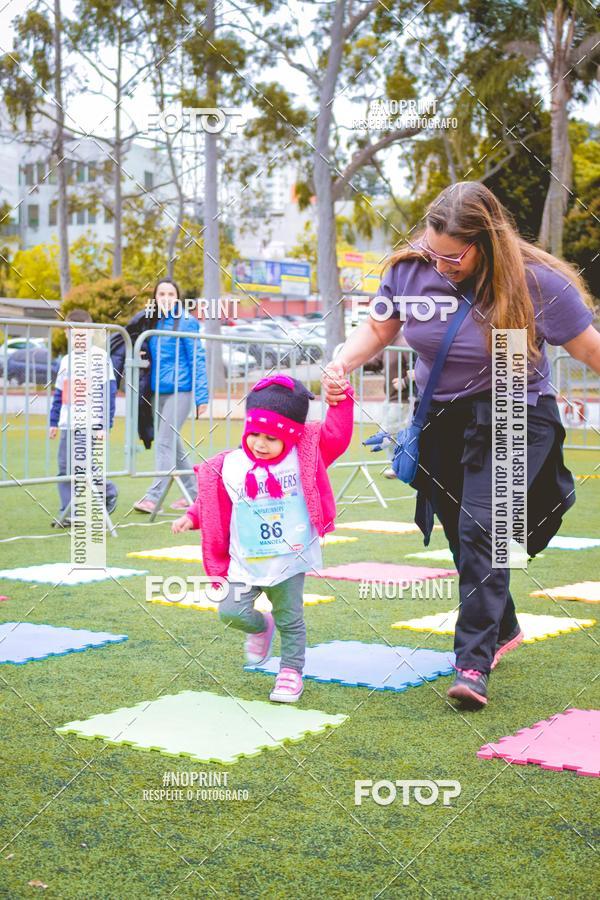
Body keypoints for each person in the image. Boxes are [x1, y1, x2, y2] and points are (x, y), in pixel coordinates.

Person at [322, 181, 600, 708]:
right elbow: (379, 331)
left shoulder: (537, 283)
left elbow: (590, 349)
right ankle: (505, 621)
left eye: (453, 256)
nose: (440, 264)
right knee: (462, 531)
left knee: (485, 526)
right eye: (433, 251)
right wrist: (342, 362)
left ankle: (472, 664)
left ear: (486, 243)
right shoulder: (408, 272)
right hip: (440, 417)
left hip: (514, 408)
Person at [172, 373, 355, 702]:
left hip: (289, 558)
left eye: (271, 438)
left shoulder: (304, 456)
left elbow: (336, 436)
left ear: (291, 435)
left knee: (291, 617)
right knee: (231, 611)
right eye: (254, 433)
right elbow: (215, 497)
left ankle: (290, 671)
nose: (260, 443)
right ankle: (261, 627)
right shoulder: (232, 464)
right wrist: (193, 515)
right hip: (245, 559)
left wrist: (340, 399)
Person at [132, 279, 209, 513]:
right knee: (173, 445)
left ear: (177, 297)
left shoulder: (187, 322)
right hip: (157, 391)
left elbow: (197, 358)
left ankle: (153, 499)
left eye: (170, 294)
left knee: (164, 442)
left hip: (181, 391)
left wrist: (201, 397)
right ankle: (197, 496)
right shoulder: (151, 321)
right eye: (161, 293)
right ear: (155, 297)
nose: (166, 298)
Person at [49, 308, 118, 524]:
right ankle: (69, 512)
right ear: (67, 335)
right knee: (64, 467)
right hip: (68, 424)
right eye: (72, 333)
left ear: (90, 333)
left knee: (85, 466)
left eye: (82, 333)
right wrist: (53, 421)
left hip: (91, 423)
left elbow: (109, 393)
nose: (77, 337)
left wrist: (104, 425)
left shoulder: (100, 358)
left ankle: (107, 491)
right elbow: (59, 394)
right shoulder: (65, 361)